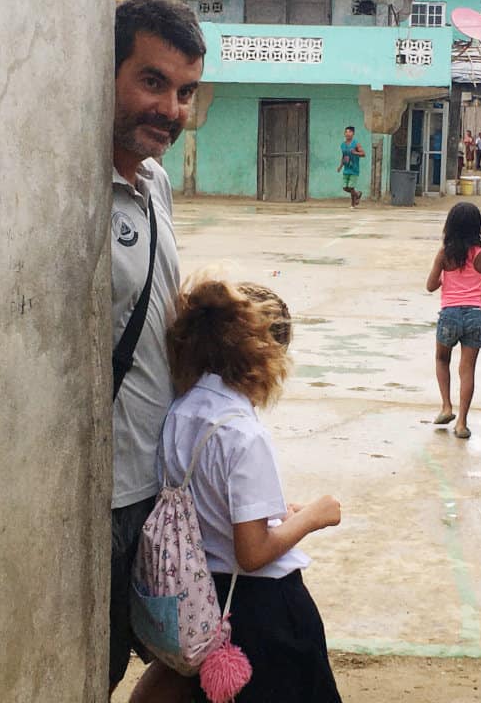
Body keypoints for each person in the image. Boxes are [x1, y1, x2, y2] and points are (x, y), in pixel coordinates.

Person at [160, 279, 343, 702]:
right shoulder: (243, 433)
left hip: (207, 599)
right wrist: (315, 516)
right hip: (266, 610)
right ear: (264, 354)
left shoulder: (181, 411)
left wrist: (280, 514)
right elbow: (253, 551)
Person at [110, 0, 205, 697]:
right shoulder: (70, 189)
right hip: (102, 496)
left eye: (185, 92)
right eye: (152, 81)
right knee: (99, 662)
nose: (171, 108)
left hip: (163, 488)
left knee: (187, 655)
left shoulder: (157, 185)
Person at [426, 202, 481, 439]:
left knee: (441, 358)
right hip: (474, 314)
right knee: (467, 369)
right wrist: (474, 284)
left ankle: (446, 406)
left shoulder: (444, 254)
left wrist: (446, 282)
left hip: (450, 314)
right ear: (478, 227)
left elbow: (430, 285)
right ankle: (462, 423)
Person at [338, 126, 366, 208]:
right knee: (345, 187)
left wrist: (355, 152)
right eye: (346, 132)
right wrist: (340, 166)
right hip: (346, 168)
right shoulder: (343, 145)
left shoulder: (356, 144)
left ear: (353, 134)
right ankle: (358, 194)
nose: (347, 133)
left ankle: (353, 204)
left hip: (354, 168)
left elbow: (363, 154)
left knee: (351, 187)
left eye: (349, 132)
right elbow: (343, 156)